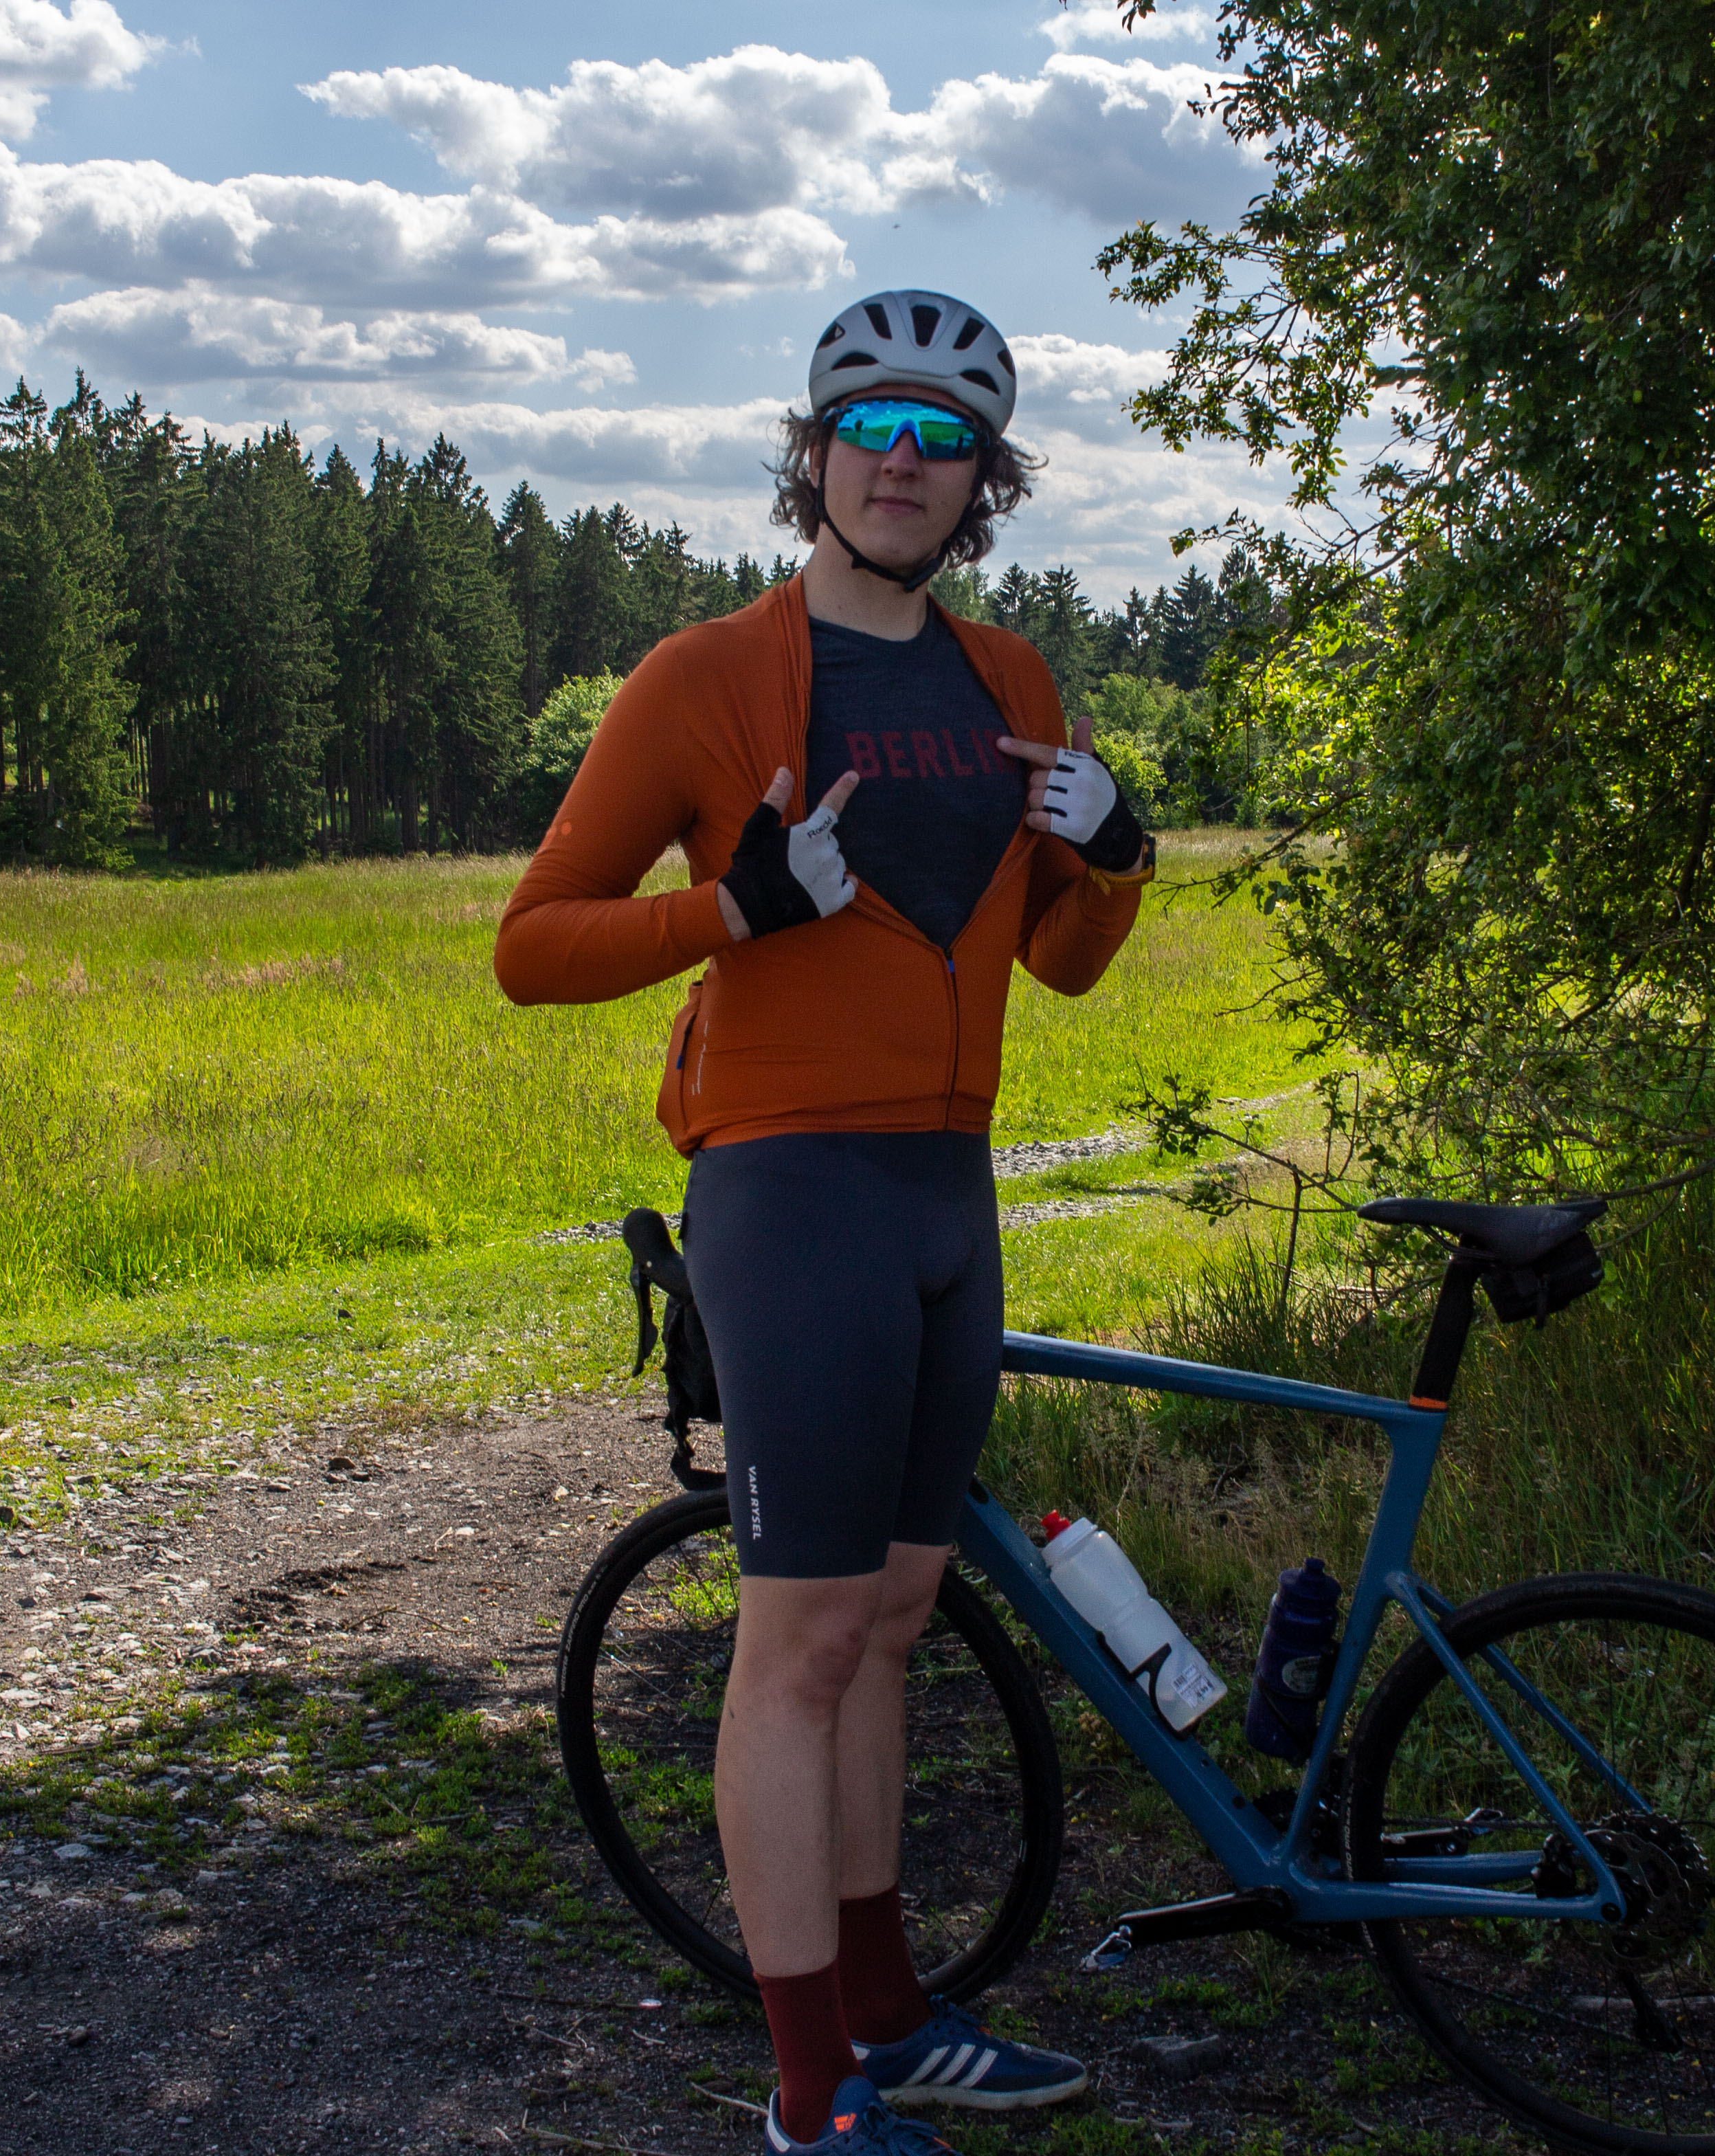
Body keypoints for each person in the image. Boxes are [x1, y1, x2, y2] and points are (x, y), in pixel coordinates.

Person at [493, 289, 1154, 2155]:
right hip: (791, 1195)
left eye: (942, 440)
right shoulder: (705, 677)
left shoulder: (1010, 681)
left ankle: (889, 2014)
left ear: (983, 482)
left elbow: (1060, 959)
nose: (899, 463)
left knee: (891, 1617)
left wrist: (1120, 855)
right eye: (869, 427)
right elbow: (533, 945)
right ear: (814, 455)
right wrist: (735, 908)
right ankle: (810, 2098)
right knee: (796, 1645)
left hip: (948, 1192)